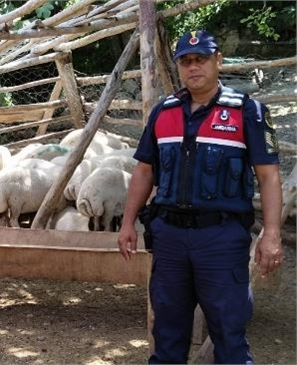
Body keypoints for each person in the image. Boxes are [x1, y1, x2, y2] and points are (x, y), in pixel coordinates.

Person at [117, 30, 283, 364]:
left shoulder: (246, 112)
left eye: (201, 59)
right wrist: (127, 222)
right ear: (179, 66)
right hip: (169, 239)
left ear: (217, 61)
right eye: (186, 61)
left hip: (220, 239)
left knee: (229, 335)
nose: (194, 67)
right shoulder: (164, 113)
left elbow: (268, 176)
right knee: (166, 335)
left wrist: (272, 233)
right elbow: (145, 171)